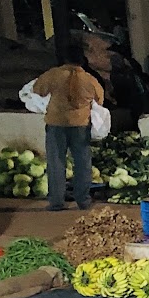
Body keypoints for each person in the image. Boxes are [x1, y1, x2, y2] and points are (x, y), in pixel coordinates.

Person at [32, 43, 105, 212]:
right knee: (82, 163)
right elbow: (100, 99)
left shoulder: (53, 75)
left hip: (56, 124)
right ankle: (83, 201)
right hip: (80, 126)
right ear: (82, 60)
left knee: (56, 162)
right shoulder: (89, 79)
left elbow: (38, 89)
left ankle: (56, 202)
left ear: (65, 58)